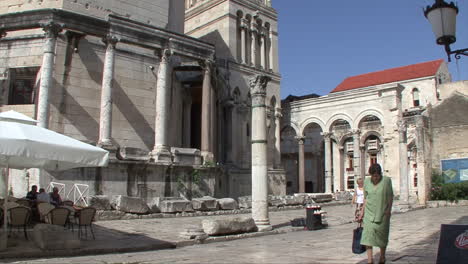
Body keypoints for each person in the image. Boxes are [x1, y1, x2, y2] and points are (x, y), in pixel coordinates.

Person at [359, 163, 394, 264]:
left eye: (377, 176)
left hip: (382, 213)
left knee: (382, 236)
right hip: (369, 213)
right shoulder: (366, 182)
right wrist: (362, 211)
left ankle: (382, 256)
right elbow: (365, 198)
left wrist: (388, 210)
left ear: (380, 174)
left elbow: (390, 196)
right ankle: (370, 260)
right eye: (373, 176)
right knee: (367, 237)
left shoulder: (386, 181)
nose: (375, 178)